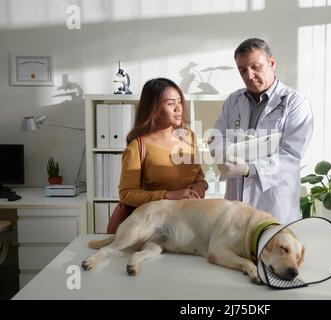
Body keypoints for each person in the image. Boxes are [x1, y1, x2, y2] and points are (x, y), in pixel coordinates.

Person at [210, 38, 313, 224]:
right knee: (236, 250)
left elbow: (291, 155)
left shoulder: (295, 103)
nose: (249, 75)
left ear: (272, 63)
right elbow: (218, 137)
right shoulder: (234, 100)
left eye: (255, 67)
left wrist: (250, 168)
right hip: (236, 203)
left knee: (273, 250)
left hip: (274, 203)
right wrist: (225, 155)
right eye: (242, 70)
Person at [107, 78, 208, 233]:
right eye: (170, 103)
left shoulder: (189, 137)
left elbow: (196, 174)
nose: (178, 108)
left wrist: (201, 185)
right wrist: (169, 195)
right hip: (154, 225)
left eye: (179, 101)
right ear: (153, 108)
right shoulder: (138, 146)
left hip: (189, 220)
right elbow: (126, 194)